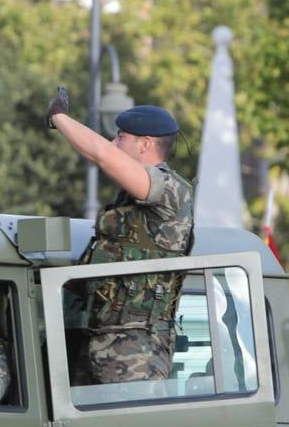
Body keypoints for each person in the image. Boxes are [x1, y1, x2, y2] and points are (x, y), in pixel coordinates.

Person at [46, 89, 195, 384]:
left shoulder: (168, 189)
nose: (114, 144)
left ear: (145, 144)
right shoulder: (132, 195)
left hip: (137, 350)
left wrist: (57, 117)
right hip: (101, 337)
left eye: (120, 137)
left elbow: (100, 154)